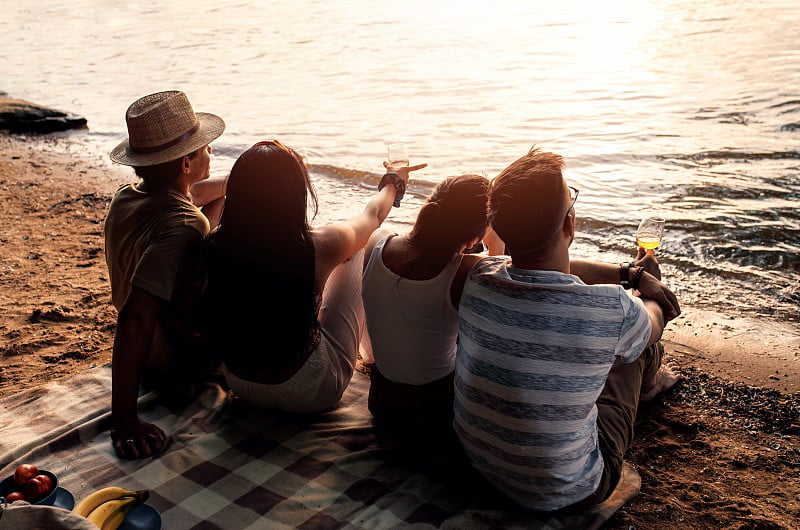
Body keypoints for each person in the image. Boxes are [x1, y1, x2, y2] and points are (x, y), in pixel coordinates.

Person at [453, 146, 681, 512]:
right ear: (569, 226)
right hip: (570, 492)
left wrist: (629, 274)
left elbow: (544, 265)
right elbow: (656, 320)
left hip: (480, 468)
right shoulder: (614, 308)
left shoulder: (478, 277)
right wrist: (649, 289)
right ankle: (650, 386)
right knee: (640, 348)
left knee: (602, 341)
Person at [202, 141, 425, 413]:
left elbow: (195, 192)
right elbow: (374, 215)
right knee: (367, 242)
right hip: (310, 392)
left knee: (335, 254)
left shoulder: (214, 242)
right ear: (296, 192)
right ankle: (373, 360)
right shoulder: (317, 246)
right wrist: (394, 181)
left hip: (242, 384)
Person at [104, 90, 227, 459]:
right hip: (175, 364)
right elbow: (136, 317)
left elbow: (195, 197)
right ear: (186, 163)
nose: (211, 153)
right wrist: (124, 418)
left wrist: (235, 182)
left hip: (149, 357)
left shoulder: (127, 196)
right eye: (205, 148)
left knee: (221, 203)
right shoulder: (185, 224)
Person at [361, 173, 492, 425]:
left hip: (382, 402)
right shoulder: (468, 270)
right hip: (435, 411)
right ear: (477, 234)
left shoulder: (379, 241)